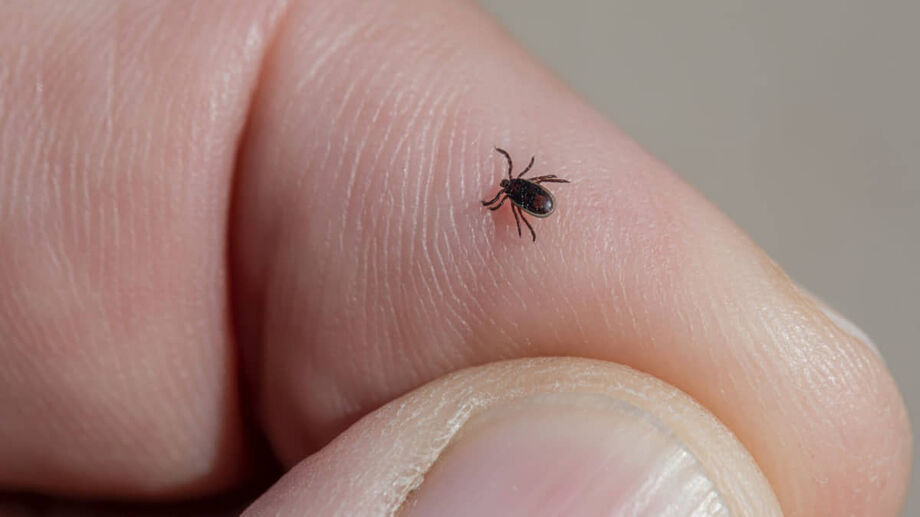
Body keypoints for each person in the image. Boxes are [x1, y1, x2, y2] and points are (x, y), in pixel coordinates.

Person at [0, 1, 910, 515]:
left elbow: (525, 189)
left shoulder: (514, 196)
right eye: (515, 195)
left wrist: (519, 200)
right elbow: (530, 189)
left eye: (516, 194)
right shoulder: (520, 197)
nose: (515, 197)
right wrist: (525, 202)